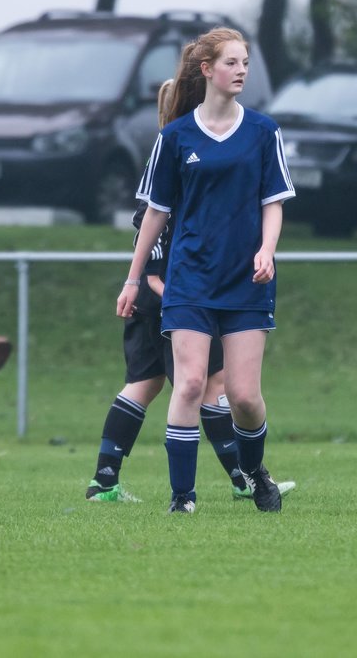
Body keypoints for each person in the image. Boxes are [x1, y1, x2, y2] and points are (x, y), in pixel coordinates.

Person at [86, 94, 297, 503]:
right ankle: (227, 482)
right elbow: (150, 232)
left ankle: (105, 480)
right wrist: (147, 284)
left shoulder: (249, 138)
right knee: (196, 386)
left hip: (188, 293)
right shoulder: (175, 148)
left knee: (154, 384)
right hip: (173, 294)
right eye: (231, 62)